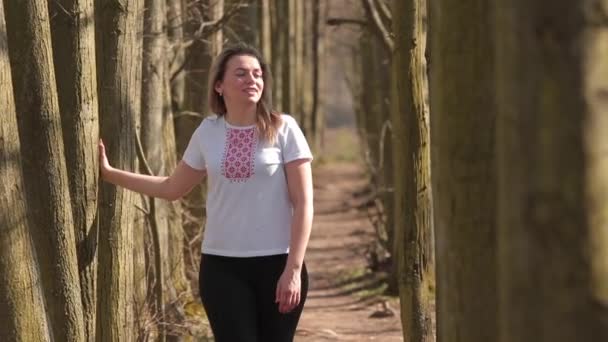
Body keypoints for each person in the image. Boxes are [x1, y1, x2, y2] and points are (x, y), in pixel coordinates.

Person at [98, 43, 313, 342]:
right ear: (219, 85)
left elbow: (304, 204)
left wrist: (293, 270)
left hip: (278, 264)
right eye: (241, 74)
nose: (252, 80)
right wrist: (110, 174)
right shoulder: (208, 132)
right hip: (222, 268)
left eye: (257, 74)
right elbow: (172, 188)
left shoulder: (284, 128)